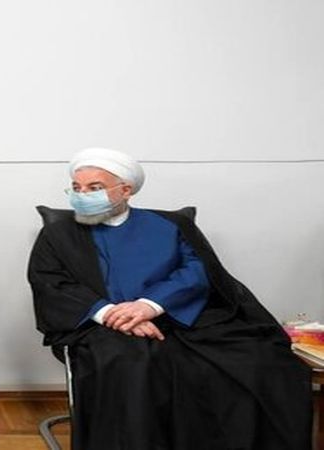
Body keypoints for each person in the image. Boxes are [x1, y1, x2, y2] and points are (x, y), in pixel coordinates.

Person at [28, 147, 312, 449]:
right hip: (100, 325)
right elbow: (51, 283)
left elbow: (198, 270)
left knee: (262, 359)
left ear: (126, 190)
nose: (82, 195)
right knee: (132, 364)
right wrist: (111, 314)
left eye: (94, 188)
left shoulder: (171, 225)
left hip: (177, 315)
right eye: (76, 188)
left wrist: (149, 305)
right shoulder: (57, 234)